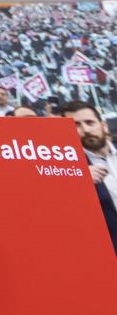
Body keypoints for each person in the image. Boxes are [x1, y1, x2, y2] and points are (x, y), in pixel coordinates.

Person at [60, 101, 117, 255]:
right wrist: (79, 180)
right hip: (107, 254)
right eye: (76, 125)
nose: (85, 130)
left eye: (90, 122)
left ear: (103, 125)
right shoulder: (66, 168)